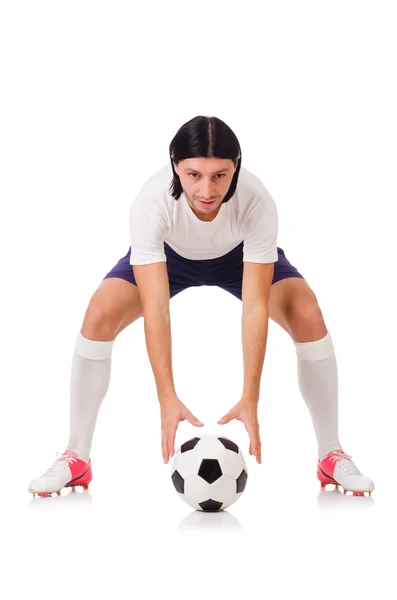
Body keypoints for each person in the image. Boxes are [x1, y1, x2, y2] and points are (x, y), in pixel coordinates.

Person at [29, 115, 374, 498]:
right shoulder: (152, 201)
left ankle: (331, 454)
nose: (207, 190)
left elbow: (254, 307)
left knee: (308, 315)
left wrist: (250, 396)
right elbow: (156, 309)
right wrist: (167, 397)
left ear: (236, 166)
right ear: (175, 164)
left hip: (238, 257)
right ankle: (76, 456)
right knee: (98, 315)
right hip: (169, 258)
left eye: (220, 176)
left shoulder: (256, 202)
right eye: (194, 175)